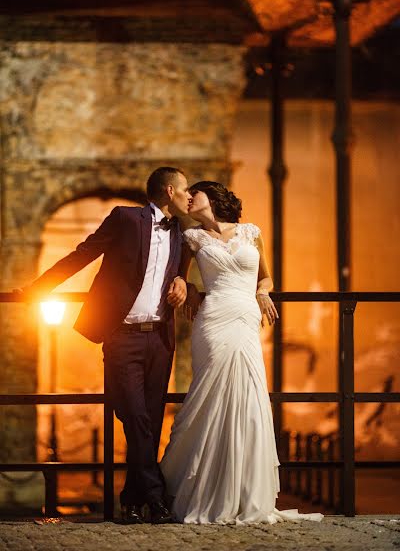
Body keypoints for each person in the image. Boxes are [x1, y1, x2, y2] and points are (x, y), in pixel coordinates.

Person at [20, 167, 192, 524]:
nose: (189, 197)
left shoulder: (183, 231)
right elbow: (85, 252)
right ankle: (156, 499)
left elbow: (184, 268)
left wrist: (182, 281)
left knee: (149, 422)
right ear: (170, 190)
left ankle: (131, 500)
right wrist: (40, 287)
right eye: (186, 190)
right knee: (135, 416)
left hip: (160, 339)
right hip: (122, 336)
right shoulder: (126, 219)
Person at [160, 181, 324, 525]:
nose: (189, 199)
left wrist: (263, 292)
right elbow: (177, 277)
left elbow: (266, 278)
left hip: (246, 319)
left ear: (213, 198)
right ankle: (201, 490)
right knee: (211, 396)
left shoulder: (250, 232)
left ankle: (245, 491)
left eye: (195, 194)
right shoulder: (192, 238)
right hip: (213, 320)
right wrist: (188, 287)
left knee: (248, 399)